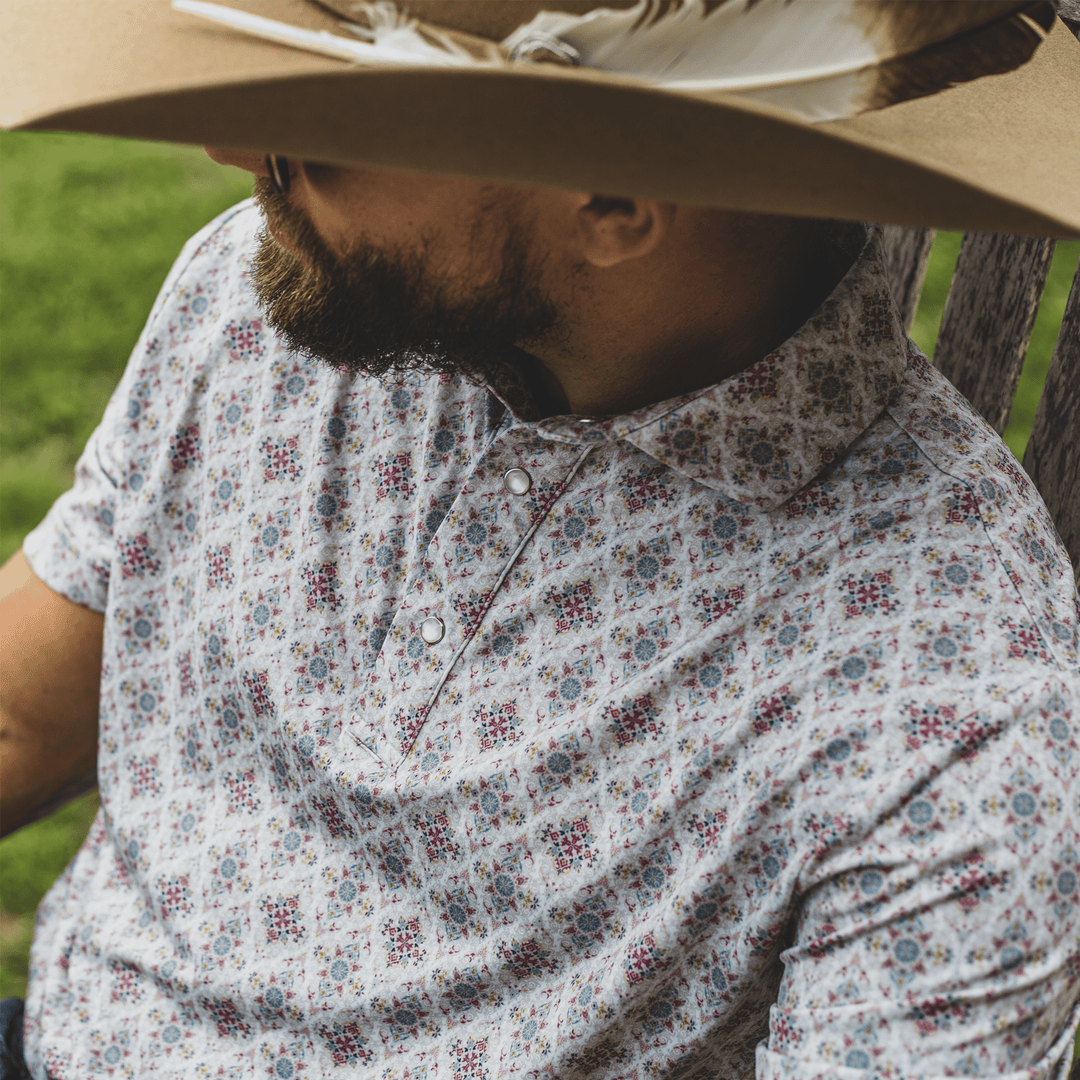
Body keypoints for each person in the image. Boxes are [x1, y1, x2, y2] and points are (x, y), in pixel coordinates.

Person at [2, 1, 1079, 1077]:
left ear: (613, 195)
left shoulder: (951, 707)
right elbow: (17, 715)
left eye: (326, 126)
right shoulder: (272, 294)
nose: (234, 148)